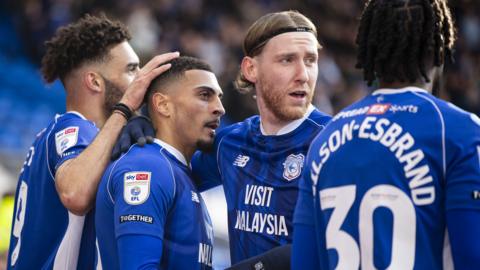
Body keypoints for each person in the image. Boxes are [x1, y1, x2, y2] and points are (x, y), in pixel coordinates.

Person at [113, 11, 332, 266]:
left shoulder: (332, 142)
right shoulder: (229, 143)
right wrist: (145, 121)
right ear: (251, 68)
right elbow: (170, 170)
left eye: (310, 60)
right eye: (287, 60)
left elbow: (332, 241)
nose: (303, 74)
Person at [292, 0, 480, 269]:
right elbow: (473, 258)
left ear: (371, 49)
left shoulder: (324, 141)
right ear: (439, 50)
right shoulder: (458, 131)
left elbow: (303, 263)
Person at [7, 14, 178, 269]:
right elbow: (75, 194)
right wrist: (124, 109)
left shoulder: (55, 136)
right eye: (131, 69)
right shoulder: (74, 127)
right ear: (95, 81)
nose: (140, 79)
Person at [95, 56, 225, 269]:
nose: (220, 108)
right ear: (163, 105)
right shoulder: (147, 168)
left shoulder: (176, 169)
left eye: (219, 97)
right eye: (204, 95)